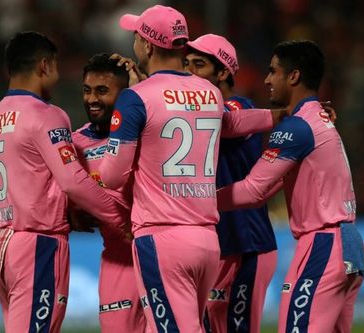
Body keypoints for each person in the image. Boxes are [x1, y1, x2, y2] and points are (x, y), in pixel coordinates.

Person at [97, 5, 281, 333]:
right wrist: (280, 115)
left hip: (161, 236)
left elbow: (112, 175)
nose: (134, 43)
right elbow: (232, 122)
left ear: (148, 45)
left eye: (137, 35)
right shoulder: (209, 93)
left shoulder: (134, 98)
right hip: (207, 240)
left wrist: (94, 167)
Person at [217, 40, 364, 333]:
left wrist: (198, 199)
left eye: (273, 72)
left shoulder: (295, 128)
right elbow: (273, 186)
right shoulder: (320, 119)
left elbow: (254, 190)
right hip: (349, 243)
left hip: (323, 244)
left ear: (294, 76)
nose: (267, 80)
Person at [0, 31, 128, 333]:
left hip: (7, 243)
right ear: (44, 66)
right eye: (57, 68)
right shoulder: (47, 115)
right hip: (39, 245)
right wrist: (118, 218)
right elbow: (72, 180)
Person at [185, 34, 278, 333]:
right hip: (214, 244)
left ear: (223, 72)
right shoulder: (186, 114)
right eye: (185, 64)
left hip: (247, 244)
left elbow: (219, 120)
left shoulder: (240, 105)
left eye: (198, 65)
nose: (189, 73)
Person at [71, 53, 147, 333]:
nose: (92, 99)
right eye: (87, 90)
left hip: (159, 248)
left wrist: (143, 87)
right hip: (117, 257)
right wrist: (72, 212)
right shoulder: (75, 143)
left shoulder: (147, 131)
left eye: (102, 91)